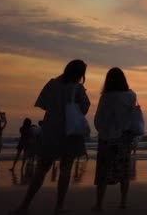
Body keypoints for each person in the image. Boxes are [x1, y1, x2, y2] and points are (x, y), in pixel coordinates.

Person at [12, 59, 91, 214]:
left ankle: (24, 205)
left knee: (41, 170)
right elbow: (85, 109)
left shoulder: (52, 84)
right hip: (70, 133)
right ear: (81, 74)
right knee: (65, 169)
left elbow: (43, 104)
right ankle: (59, 206)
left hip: (50, 131)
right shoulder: (78, 88)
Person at [92, 67, 137, 211]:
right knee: (124, 171)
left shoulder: (106, 97)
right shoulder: (131, 95)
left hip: (107, 138)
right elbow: (132, 116)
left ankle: (99, 204)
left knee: (103, 172)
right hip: (124, 138)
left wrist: (102, 130)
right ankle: (123, 202)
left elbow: (98, 119)